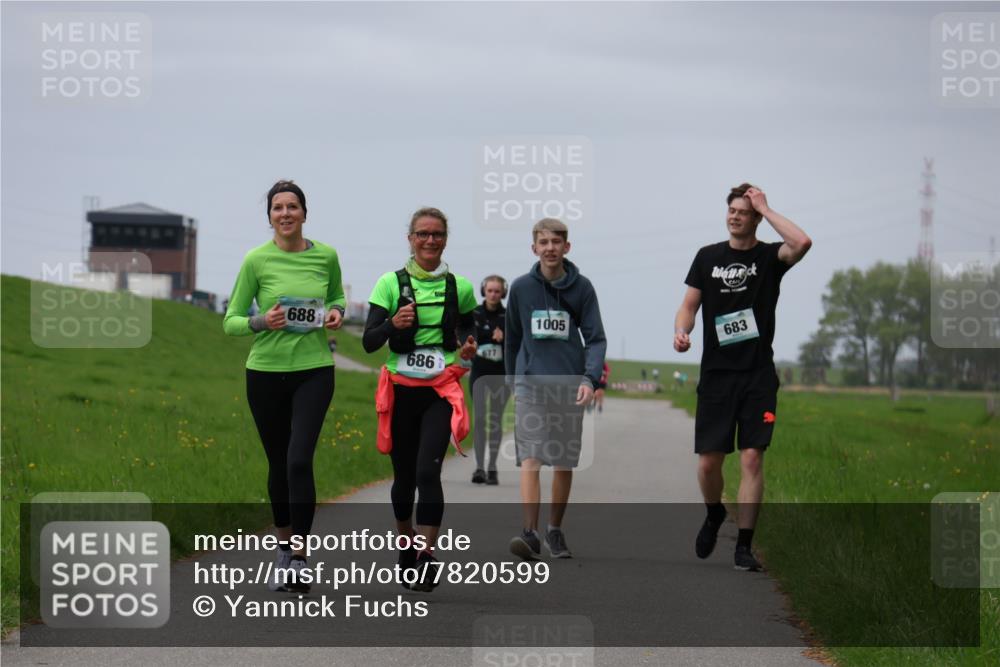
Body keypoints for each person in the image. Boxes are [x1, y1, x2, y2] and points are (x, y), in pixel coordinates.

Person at [673, 183, 811, 571]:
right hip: (717, 376)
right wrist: (681, 331)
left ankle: (744, 547)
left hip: (758, 377)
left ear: (754, 219)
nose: (735, 216)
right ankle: (715, 513)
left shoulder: (770, 258)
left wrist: (766, 208)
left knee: (752, 459)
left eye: (743, 212)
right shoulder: (707, 257)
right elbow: (687, 306)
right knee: (707, 465)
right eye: (731, 210)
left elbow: (801, 241)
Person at [223, 180, 346, 592]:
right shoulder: (256, 261)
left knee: (298, 460)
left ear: (304, 214)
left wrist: (334, 313)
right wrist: (262, 321)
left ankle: (299, 557)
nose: (286, 213)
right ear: (270, 217)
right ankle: (282, 547)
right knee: (278, 464)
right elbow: (232, 320)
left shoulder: (326, 256)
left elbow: (336, 299)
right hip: (265, 372)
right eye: (278, 208)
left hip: (314, 370)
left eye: (293, 206)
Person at [363, 207, 478, 591]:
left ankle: (427, 555)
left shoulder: (459, 286)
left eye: (438, 234)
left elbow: (467, 324)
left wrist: (467, 344)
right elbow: (368, 341)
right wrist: (391, 324)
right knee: (404, 478)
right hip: (399, 392)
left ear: (446, 238)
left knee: (429, 473)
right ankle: (405, 541)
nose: (430, 241)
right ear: (410, 239)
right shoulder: (389, 284)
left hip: (439, 390)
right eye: (423, 234)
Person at [506, 218, 607, 560]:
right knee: (531, 458)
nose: (550, 248)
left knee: (563, 462)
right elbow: (513, 339)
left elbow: (595, 339)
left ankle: (554, 530)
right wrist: (511, 382)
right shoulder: (520, 288)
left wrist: (590, 379)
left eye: (556, 242)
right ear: (534, 248)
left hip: (568, 385)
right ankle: (529, 533)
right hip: (531, 385)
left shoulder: (583, 289)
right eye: (543, 242)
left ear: (567, 247)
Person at [470, 275, 511, 486]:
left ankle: (492, 468)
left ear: (503, 292)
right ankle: (479, 468)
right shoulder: (474, 314)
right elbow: (468, 339)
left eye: (497, 291)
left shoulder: (508, 316)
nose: (493, 294)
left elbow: (515, 344)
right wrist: (487, 337)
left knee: (495, 420)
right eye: (490, 291)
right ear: (483, 291)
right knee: (479, 419)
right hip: (479, 374)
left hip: (501, 375)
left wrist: (504, 339)